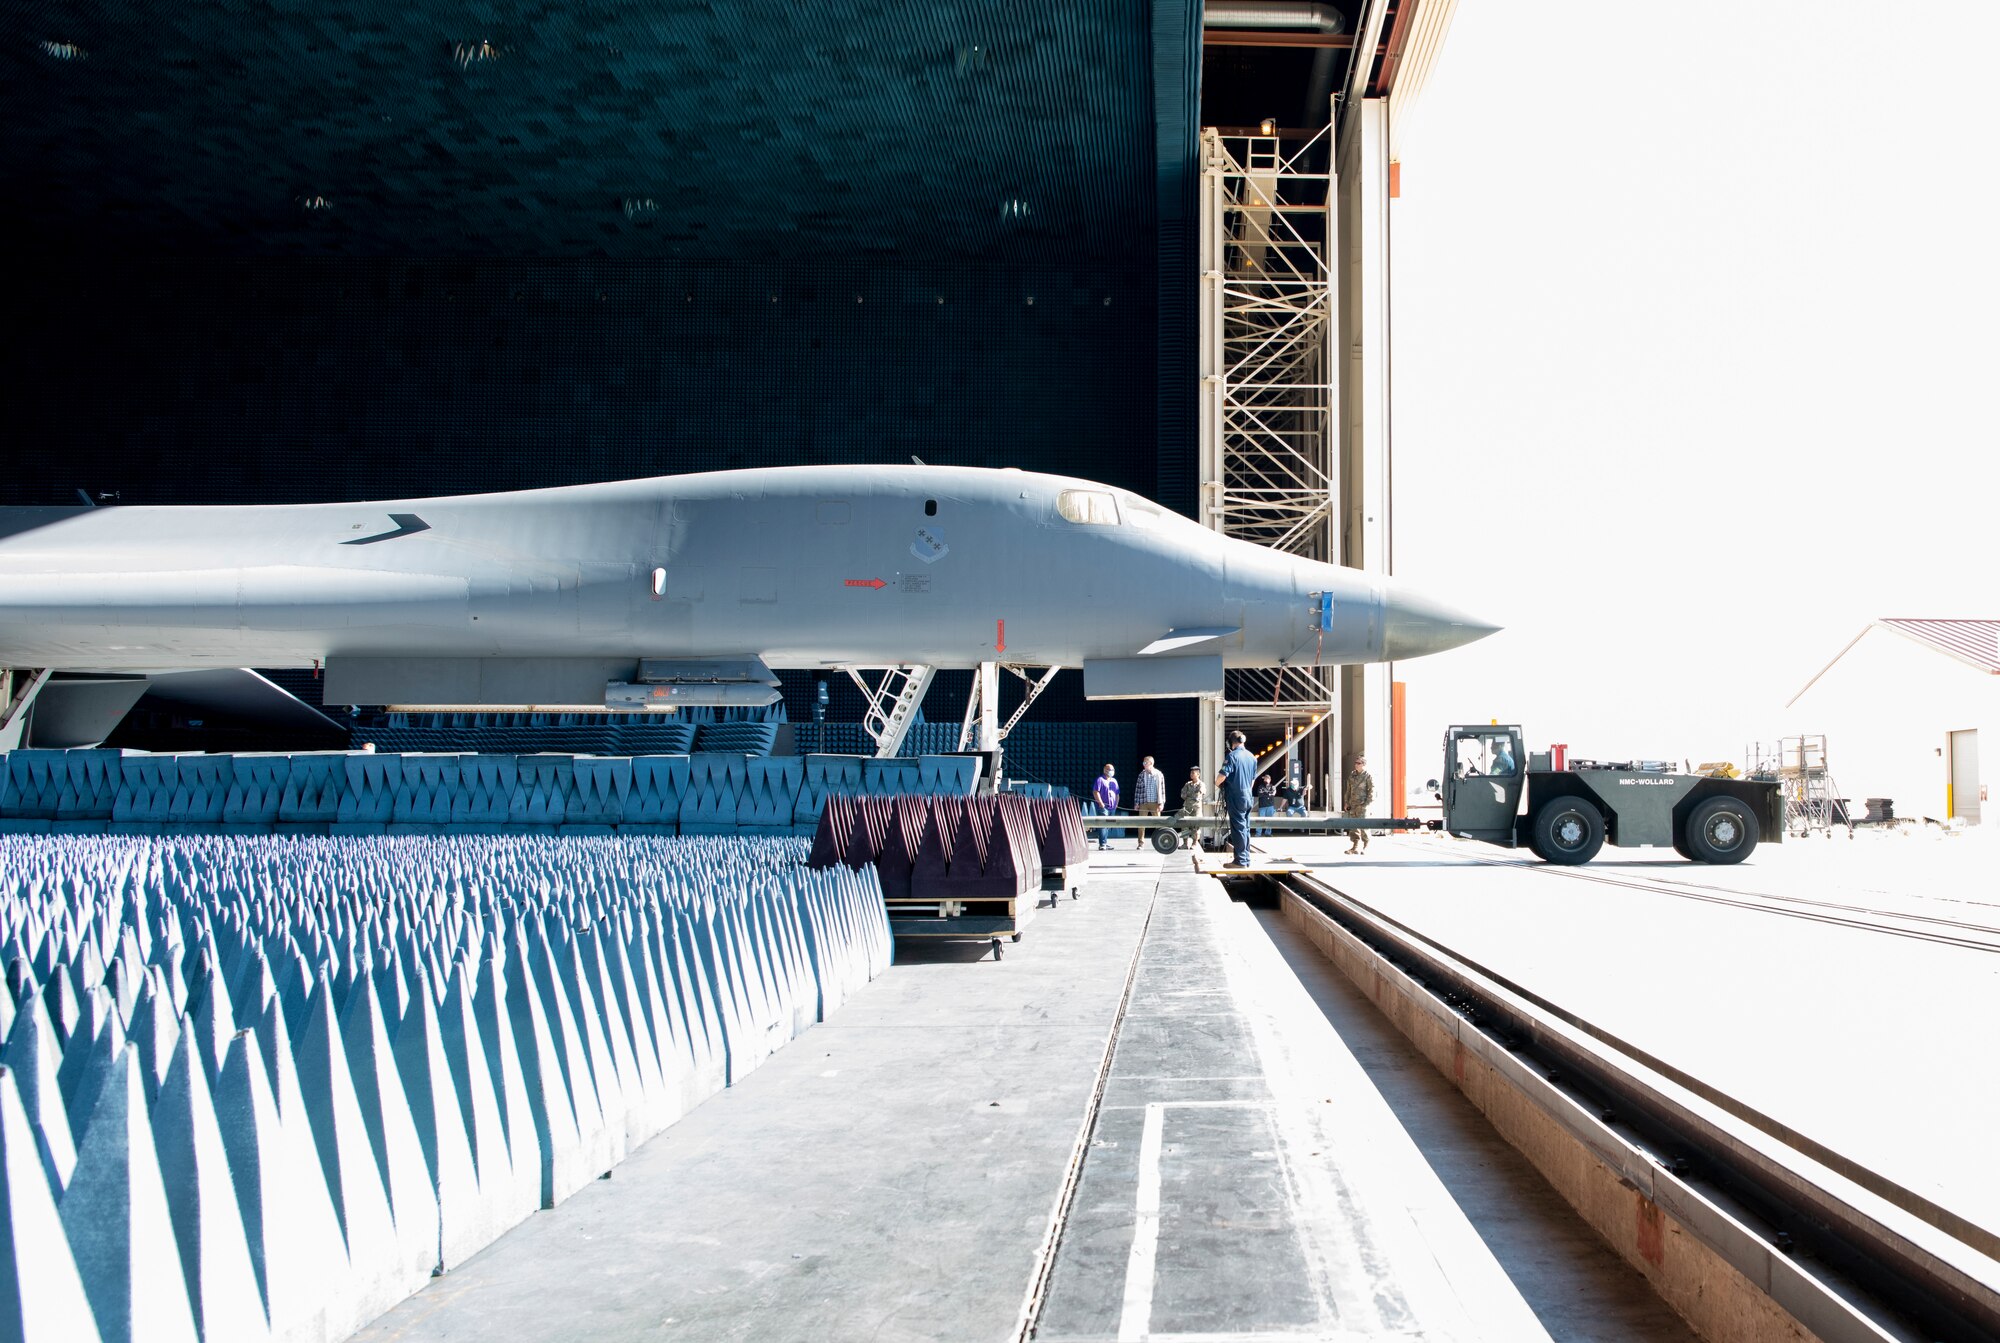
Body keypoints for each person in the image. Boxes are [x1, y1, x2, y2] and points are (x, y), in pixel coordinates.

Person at [1217, 730, 1257, 867]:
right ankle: (1246, 859)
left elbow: (1221, 777)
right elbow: (1252, 781)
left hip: (1236, 796)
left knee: (1238, 828)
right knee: (1245, 827)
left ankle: (1240, 861)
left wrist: (1217, 783)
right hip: (1248, 796)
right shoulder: (1252, 757)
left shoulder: (1232, 756)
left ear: (1230, 743)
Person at [1343, 753, 1375, 854]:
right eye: (1355, 763)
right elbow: (1348, 790)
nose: (1356, 764)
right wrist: (1346, 802)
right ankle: (1355, 847)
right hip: (1353, 805)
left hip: (1362, 805)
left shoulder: (1367, 776)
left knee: (1364, 826)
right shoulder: (1352, 775)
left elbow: (1371, 791)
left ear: (1363, 764)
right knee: (1353, 827)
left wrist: (1366, 804)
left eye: (1358, 763)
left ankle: (1366, 846)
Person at [1131, 754, 1166, 849]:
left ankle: (1161, 842)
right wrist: (1136, 803)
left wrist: (1162, 802)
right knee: (1141, 824)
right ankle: (1141, 843)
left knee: (1158, 824)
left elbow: (1162, 790)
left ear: (1151, 763)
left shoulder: (1159, 774)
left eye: (1145, 762)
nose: (1143, 764)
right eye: (1143, 762)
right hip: (1144, 803)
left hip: (1155, 803)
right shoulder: (1141, 775)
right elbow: (1137, 790)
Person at [1092, 763, 1120, 851]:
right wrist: (1100, 803)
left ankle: (1104, 842)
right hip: (1103, 807)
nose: (1111, 771)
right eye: (1109, 769)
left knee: (1108, 825)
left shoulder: (1114, 781)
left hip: (1112, 807)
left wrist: (1116, 804)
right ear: (1105, 770)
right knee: (1103, 825)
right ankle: (1102, 844)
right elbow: (1096, 792)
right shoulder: (1100, 780)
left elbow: (1117, 794)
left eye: (1112, 769)